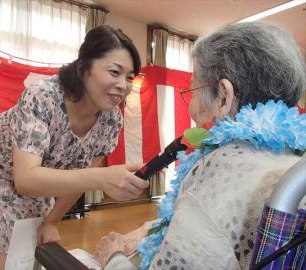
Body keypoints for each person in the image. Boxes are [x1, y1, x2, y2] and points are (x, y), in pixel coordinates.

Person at [93, 21, 306, 270]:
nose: (192, 108)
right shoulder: (294, 161)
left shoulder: (220, 170)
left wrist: (113, 256)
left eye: (193, 88)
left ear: (224, 96)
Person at [0, 25, 149, 270]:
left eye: (129, 77)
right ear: (83, 68)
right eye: (114, 72)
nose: (123, 85)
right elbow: (27, 179)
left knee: (38, 234)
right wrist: (102, 178)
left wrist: (51, 221)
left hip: (33, 171)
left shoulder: (111, 119)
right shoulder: (42, 96)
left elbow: (81, 180)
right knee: (20, 238)